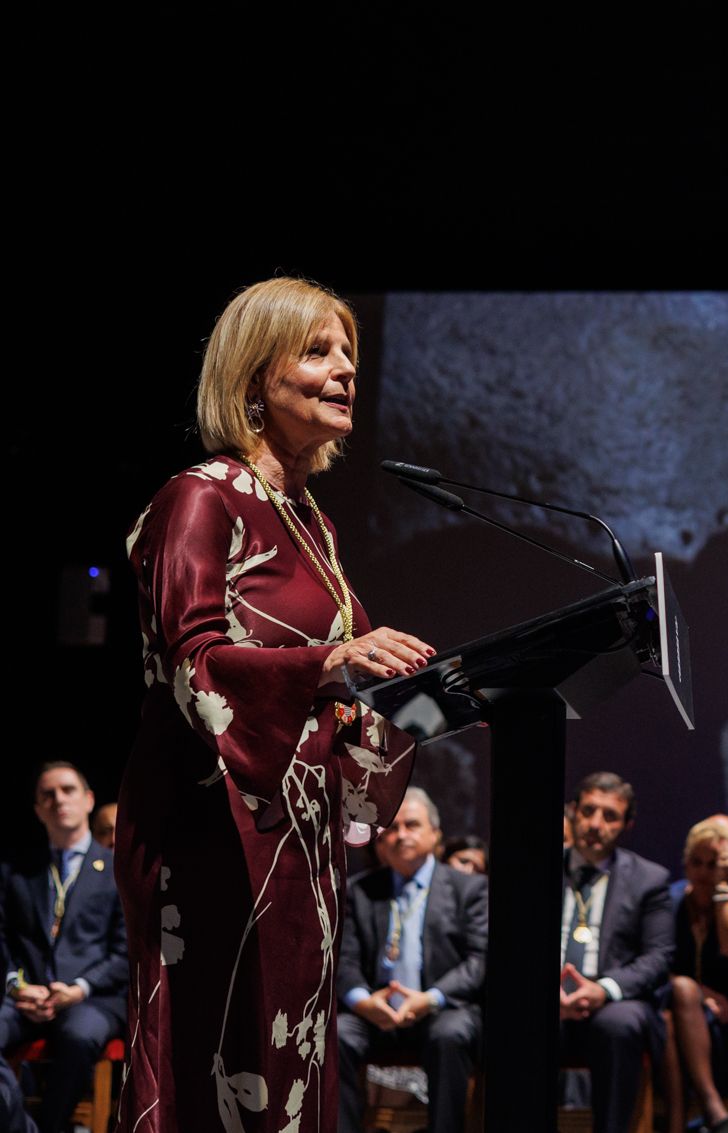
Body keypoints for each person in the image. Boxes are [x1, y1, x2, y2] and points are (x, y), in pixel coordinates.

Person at [117, 277, 433, 1132]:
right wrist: (332, 658)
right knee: (221, 1060)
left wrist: (412, 702)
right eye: (319, 351)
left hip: (300, 844)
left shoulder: (312, 525)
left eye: (352, 357)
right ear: (256, 378)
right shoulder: (203, 496)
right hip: (214, 832)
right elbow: (191, 662)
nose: (345, 373)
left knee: (289, 1064)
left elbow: (336, 683)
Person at [337, 788, 487, 1133]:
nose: (401, 834)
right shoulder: (360, 890)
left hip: (440, 1008)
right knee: (339, 1033)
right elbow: (344, 960)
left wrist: (429, 999)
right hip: (378, 1012)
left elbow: (479, 961)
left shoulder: (469, 889)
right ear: (378, 841)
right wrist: (363, 1002)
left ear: (435, 834)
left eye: (412, 825)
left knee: (451, 1035)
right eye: (391, 828)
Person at [0, 763, 126, 1133]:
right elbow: (3, 937)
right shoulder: (18, 869)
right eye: (47, 795)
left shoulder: (118, 868)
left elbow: (126, 950)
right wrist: (15, 985)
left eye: (68, 790)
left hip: (93, 997)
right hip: (27, 997)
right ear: (38, 810)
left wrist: (79, 988)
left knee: (78, 1036)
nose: (58, 800)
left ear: (88, 800)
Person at [559, 772, 674, 1133]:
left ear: (627, 824)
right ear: (572, 812)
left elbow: (659, 957)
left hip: (611, 1000)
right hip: (547, 999)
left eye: (609, 816)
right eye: (588, 811)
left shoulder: (648, 880)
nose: (595, 824)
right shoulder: (539, 866)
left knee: (619, 1025)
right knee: (520, 1018)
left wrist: (603, 989)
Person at [659, 817, 728, 1133]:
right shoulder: (669, 901)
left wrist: (723, 897)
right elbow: (654, 965)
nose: (703, 872)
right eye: (696, 862)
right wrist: (701, 994)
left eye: (713, 865)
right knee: (677, 1001)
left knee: (672, 1023)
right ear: (685, 863)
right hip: (672, 1008)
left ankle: (677, 1124)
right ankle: (714, 1110)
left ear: (727, 867)